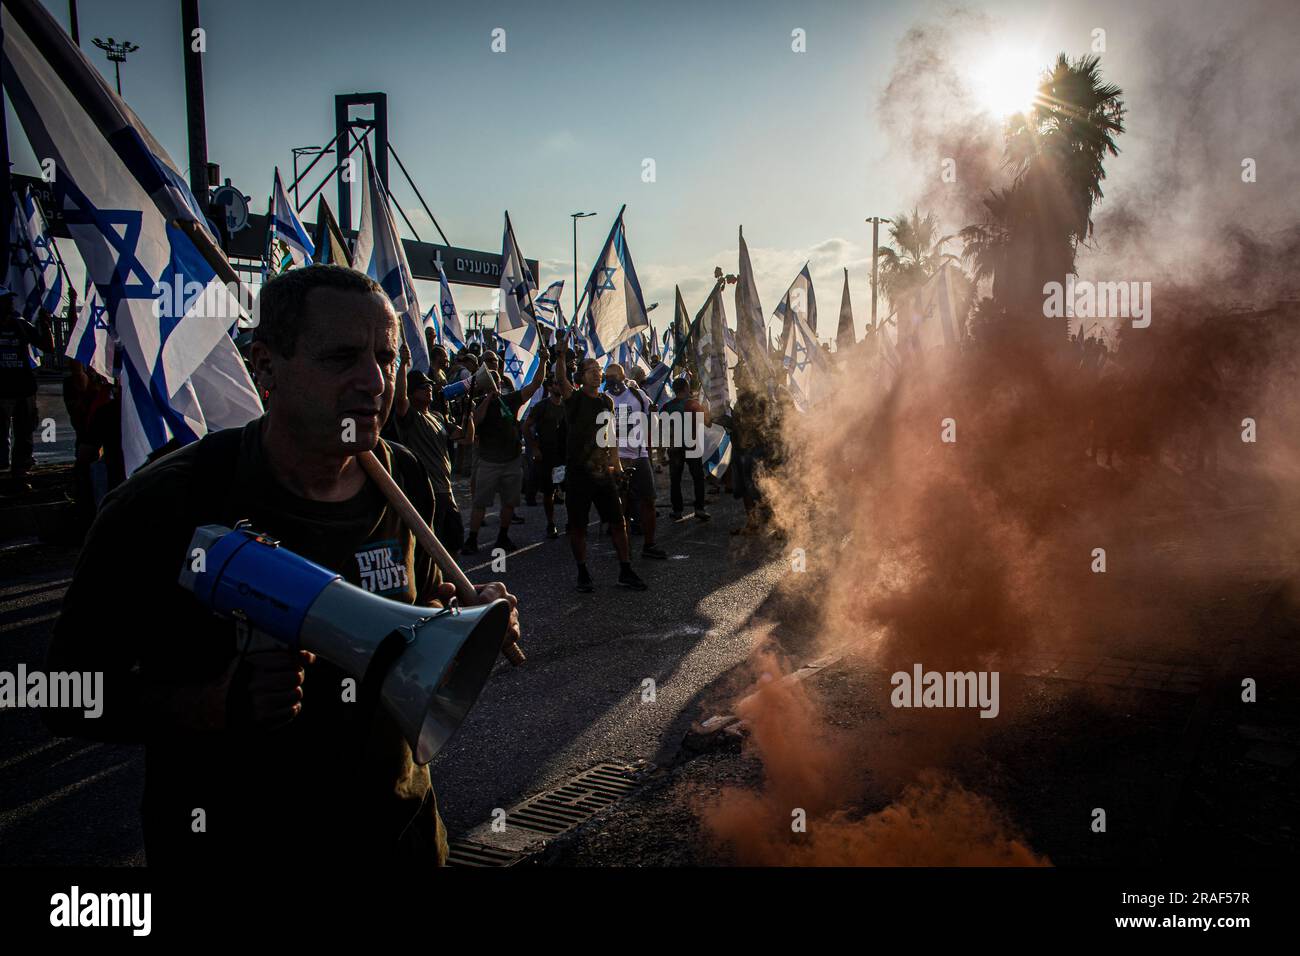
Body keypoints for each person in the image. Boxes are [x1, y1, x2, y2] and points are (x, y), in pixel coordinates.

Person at [46, 264, 520, 868]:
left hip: (399, 839)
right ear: (266, 365)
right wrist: (210, 705)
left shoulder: (403, 479)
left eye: (386, 355)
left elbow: (416, 616)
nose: (375, 381)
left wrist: (463, 624)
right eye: (342, 357)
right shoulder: (167, 503)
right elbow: (63, 694)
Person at [554, 331, 647, 592]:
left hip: (603, 472)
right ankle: (583, 572)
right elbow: (560, 379)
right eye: (590, 370)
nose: (597, 373)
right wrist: (560, 355)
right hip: (578, 474)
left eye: (598, 369)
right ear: (581, 377)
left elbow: (611, 437)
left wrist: (617, 469)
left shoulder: (607, 400)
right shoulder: (574, 399)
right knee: (579, 526)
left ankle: (625, 570)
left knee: (619, 522)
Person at [461, 340, 547, 554]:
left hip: (511, 460)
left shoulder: (510, 400)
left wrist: (544, 361)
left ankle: (502, 536)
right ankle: (472, 539)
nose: (495, 384)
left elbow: (535, 384)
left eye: (497, 381)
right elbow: (477, 420)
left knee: (509, 502)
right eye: (491, 382)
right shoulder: (478, 402)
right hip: (489, 461)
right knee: (480, 503)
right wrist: (488, 398)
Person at [392, 348, 473, 553]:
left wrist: (469, 411)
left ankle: (451, 581)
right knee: (430, 545)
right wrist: (402, 364)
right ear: (411, 393)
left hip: (446, 489)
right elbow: (399, 398)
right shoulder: (410, 417)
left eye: (429, 386)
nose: (428, 389)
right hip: (426, 490)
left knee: (454, 540)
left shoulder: (437, 417)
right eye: (422, 387)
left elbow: (466, 437)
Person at [603, 362, 666, 559]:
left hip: (639, 456)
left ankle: (649, 544)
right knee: (622, 505)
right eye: (608, 377)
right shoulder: (603, 399)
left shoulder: (637, 395)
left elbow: (652, 423)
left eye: (616, 376)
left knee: (648, 501)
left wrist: (653, 414)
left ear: (623, 377)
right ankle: (624, 548)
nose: (612, 380)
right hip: (616, 458)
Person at [0, 289, 55, 494]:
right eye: (5, 301)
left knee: (25, 434)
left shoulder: (21, 325)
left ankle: (20, 475)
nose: (10, 305)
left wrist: (45, 324)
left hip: (23, 389)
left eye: (9, 301)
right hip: (3, 392)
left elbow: (47, 347)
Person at [661, 376, 711, 521]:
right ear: (686, 389)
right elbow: (708, 423)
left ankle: (677, 511)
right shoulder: (694, 405)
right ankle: (699, 509)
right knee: (698, 478)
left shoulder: (667, 407)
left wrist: (662, 451)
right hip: (692, 446)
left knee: (675, 480)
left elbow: (662, 429)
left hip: (674, 448)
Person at [524, 376, 566, 539]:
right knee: (549, 492)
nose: (559, 387)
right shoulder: (542, 406)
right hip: (547, 455)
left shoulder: (567, 406)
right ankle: (551, 523)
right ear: (549, 387)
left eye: (561, 383)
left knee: (568, 489)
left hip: (564, 455)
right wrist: (534, 448)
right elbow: (526, 426)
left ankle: (571, 522)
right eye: (556, 384)